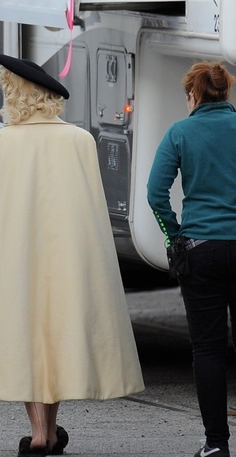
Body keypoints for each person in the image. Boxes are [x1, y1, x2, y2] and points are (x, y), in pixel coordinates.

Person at [0, 53, 144, 457]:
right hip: (67, 259)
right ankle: (50, 431)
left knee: (25, 338)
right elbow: (92, 210)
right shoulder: (79, 140)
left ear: (15, 94)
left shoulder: (3, 142)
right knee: (57, 339)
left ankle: (39, 432)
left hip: (16, 260)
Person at [147, 61, 236, 457]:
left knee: (208, 349)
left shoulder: (180, 132)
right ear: (226, 93)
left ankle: (216, 445)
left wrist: (175, 235)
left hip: (200, 249)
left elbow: (155, 192)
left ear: (193, 95)